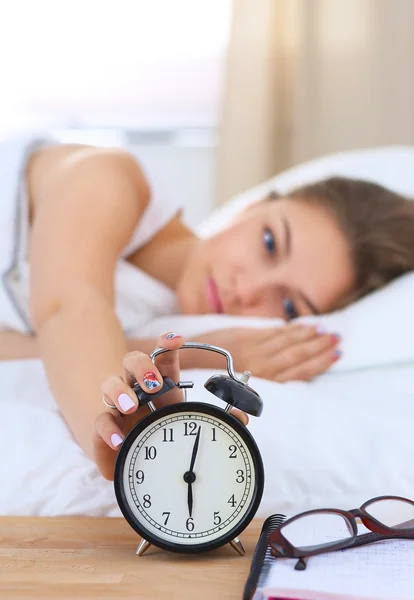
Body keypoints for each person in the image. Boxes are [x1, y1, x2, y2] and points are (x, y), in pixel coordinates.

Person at [1, 138, 413, 479]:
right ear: (253, 206)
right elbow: (69, 312)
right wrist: (141, 447)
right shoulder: (108, 179)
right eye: (269, 243)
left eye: (287, 304)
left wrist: (198, 350)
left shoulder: (153, 314)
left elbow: (40, 346)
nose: (247, 290)